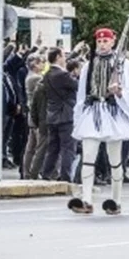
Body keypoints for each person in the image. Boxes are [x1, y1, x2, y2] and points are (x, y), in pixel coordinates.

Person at [67, 28, 129, 215]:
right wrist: (79, 116)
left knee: (115, 160)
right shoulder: (88, 65)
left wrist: (120, 93)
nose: (102, 45)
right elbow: (82, 93)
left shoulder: (123, 65)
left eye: (105, 41)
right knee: (88, 158)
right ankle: (86, 199)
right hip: (92, 112)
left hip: (113, 113)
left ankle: (116, 200)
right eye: (99, 42)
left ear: (113, 42)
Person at [41, 48, 79, 182]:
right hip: (65, 115)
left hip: (52, 115)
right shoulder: (62, 75)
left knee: (53, 148)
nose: (65, 59)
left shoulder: (47, 74)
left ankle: (46, 173)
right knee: (68, 148)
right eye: (63, 56)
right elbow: (76, 86)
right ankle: (65, 176)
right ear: (58, 57)